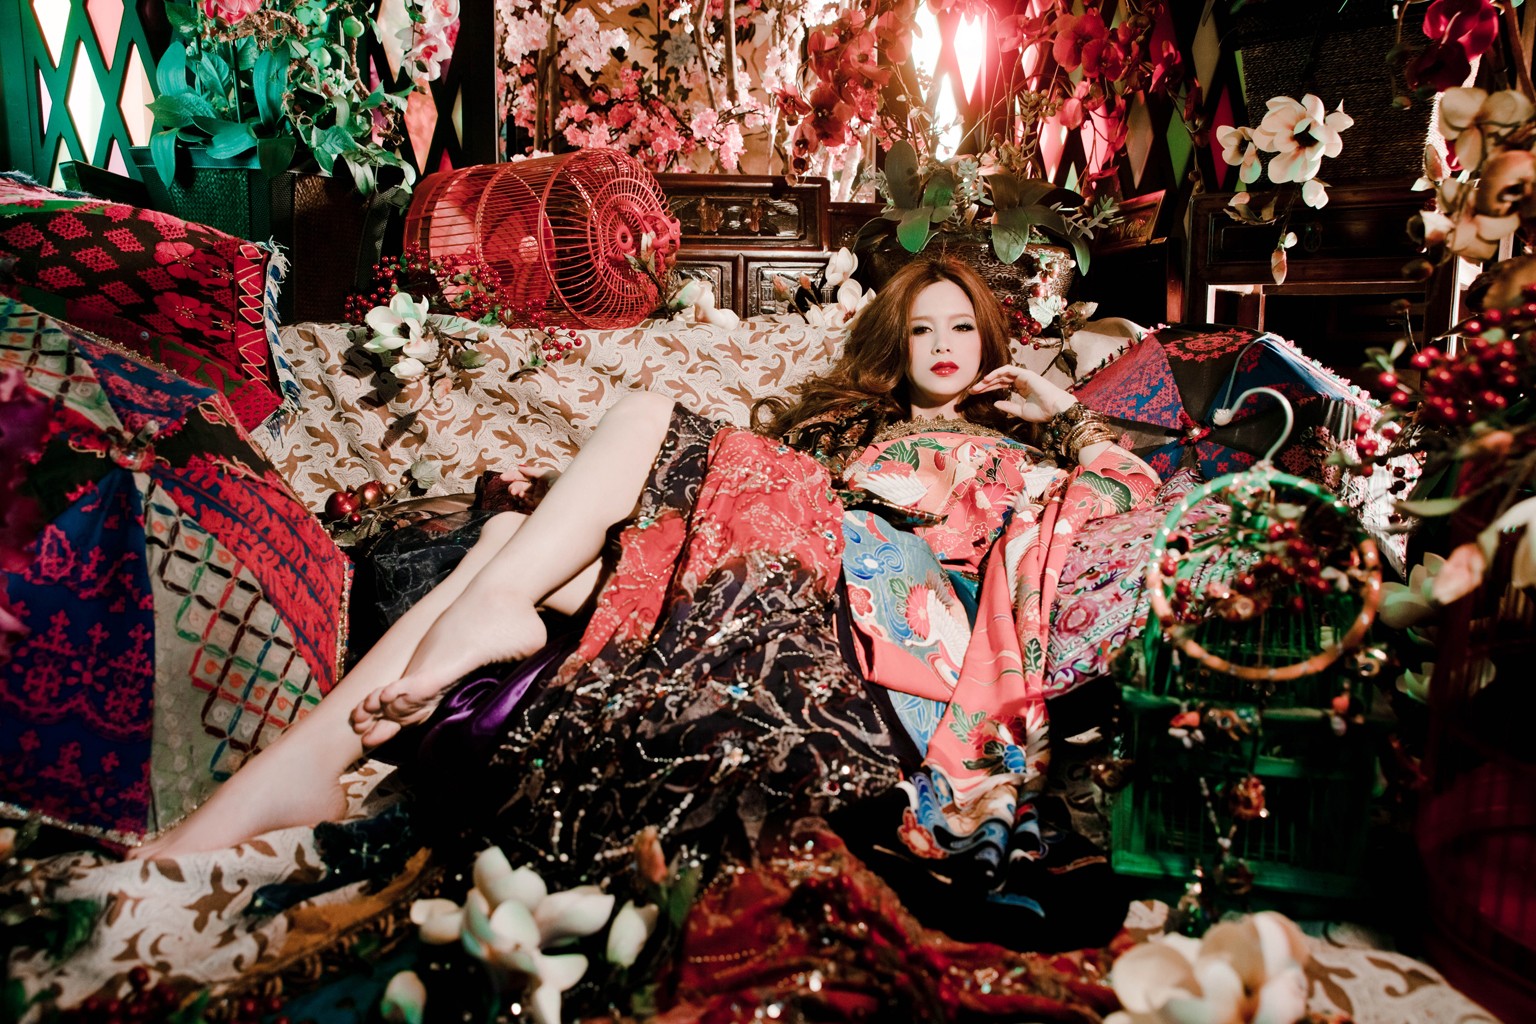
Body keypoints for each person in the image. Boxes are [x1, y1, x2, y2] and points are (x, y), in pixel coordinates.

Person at [131, 258, 1158, 935]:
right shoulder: (847, 433)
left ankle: (437, 659)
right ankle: (299, 770)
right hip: (782, 560)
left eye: (963, 327)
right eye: (922, 326)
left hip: (887, 607)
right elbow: (721, 501)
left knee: (644, 426)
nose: (943, 343)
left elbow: (1128, 499)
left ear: (991, 342)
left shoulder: (1015, 451)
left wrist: (1062, 413)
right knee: (518, 532)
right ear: (893, 339)